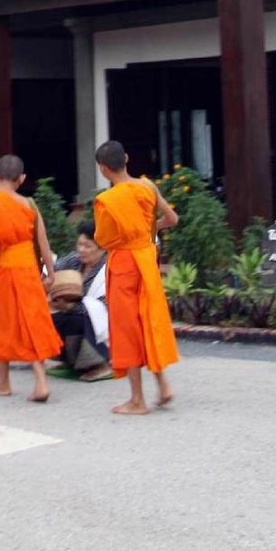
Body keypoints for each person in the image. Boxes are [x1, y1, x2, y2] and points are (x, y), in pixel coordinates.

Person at [92, 139, 179, 415]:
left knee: (128, 328)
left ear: (104, 170)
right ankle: (163, 384)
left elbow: (103, 239)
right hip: (147, 259)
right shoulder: (148, 186)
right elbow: (171, 219)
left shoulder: (107, 200)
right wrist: (147, 232)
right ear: (126, 158)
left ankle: (137, 400)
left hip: (124, 263)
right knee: (148, 321)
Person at [0, 155, 60, 402]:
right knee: (32, 322)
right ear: (22, 179)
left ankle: (3, 383)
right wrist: (51, 273)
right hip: (28, 270)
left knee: (2, 324)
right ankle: (40, 379)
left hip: (3, 270)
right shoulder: (29, 205)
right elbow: (43, 241)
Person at [50, 221, 112, 381]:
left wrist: (70, 306)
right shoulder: (75, 260)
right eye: (80, 245)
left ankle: (101, 364)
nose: (81, 250)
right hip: (75, 311)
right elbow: (53, 269)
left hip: (105, 319)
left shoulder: (109, 268)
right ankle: (71, 362)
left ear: (101, 247)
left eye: (87, 246)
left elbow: (106, 306)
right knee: (52, 319)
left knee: (75, 319)